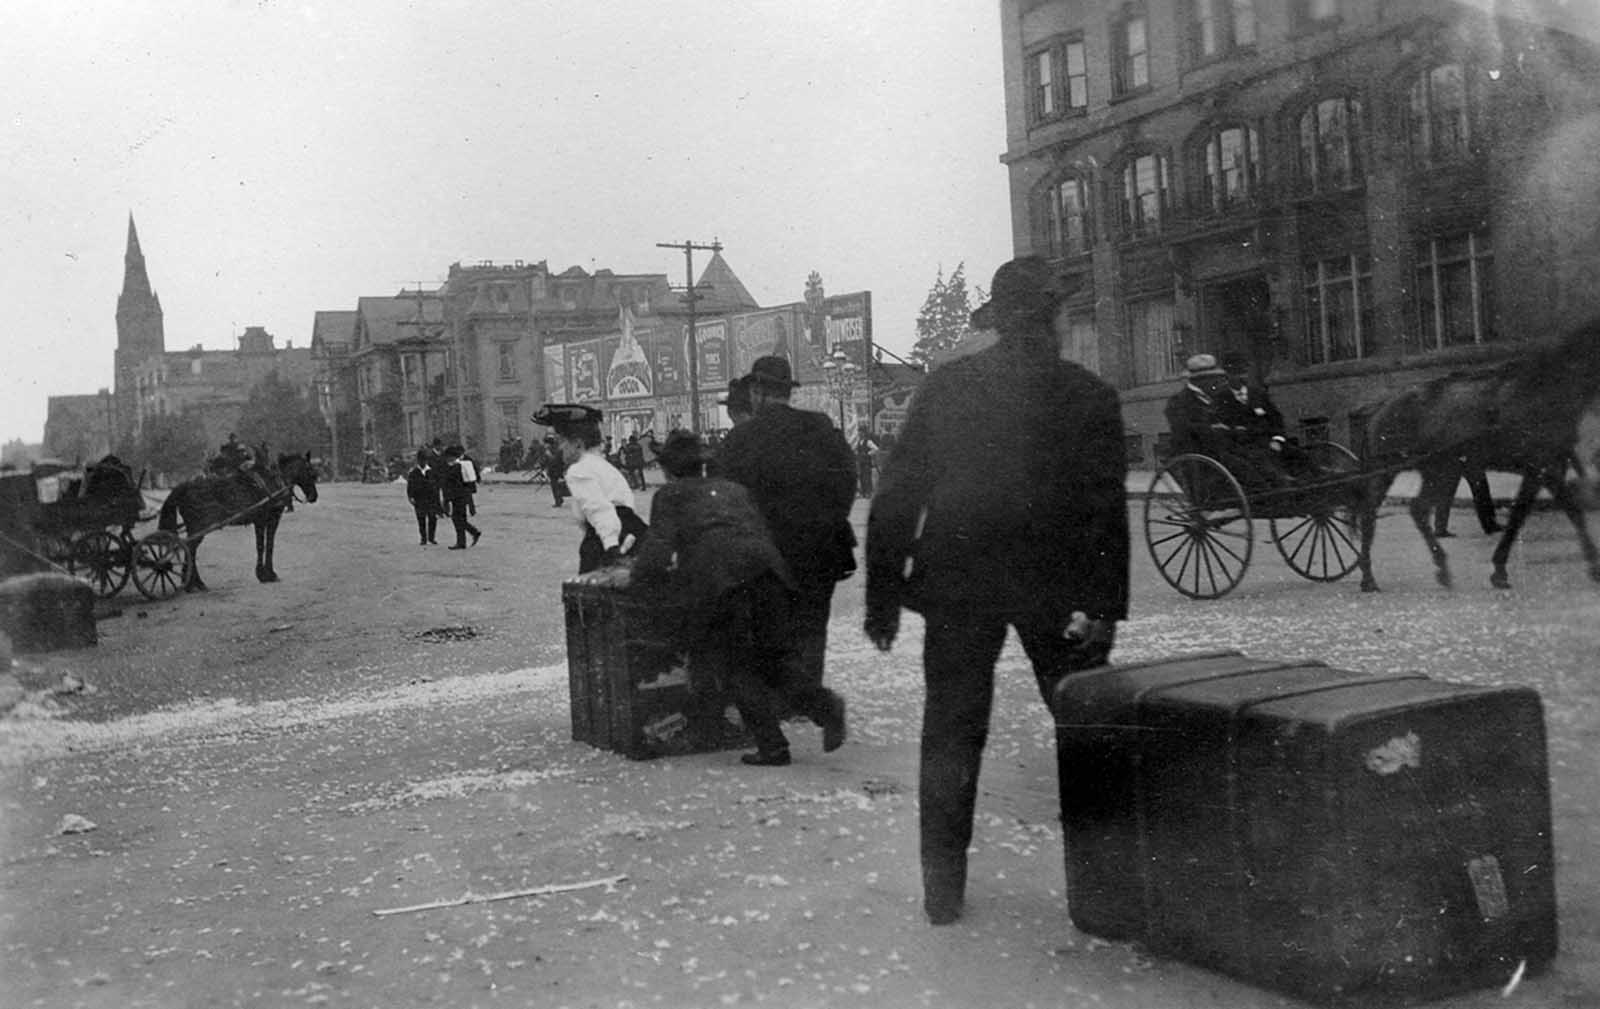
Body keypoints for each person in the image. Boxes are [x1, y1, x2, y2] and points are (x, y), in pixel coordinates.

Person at [864, 255, 1130, 927]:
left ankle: (942, 890)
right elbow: (1106, 513)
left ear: (997, 321)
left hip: (959, 581)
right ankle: (1106, 889)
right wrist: (1103, 608)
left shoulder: (948, 387)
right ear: (1055, 319)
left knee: (951, 731)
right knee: (1087, 731)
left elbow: (898, 492)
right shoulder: (1089, 396)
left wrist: (883, 592)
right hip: (1058, 587)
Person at [631, 430, 845, 766]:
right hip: (770, 575)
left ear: (668, 469)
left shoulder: (670, 495)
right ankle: (825, 706)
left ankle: (772, 746)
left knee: (736, 666)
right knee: (774, 660)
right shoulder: (734, 490)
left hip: (722, 583)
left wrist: (640, 581)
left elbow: (656, 551)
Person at [717, 356, 857, 697]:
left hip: (766, 554)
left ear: (756, 391)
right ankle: (808, 694)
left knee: (768, 629)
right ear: (788, 391)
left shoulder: (739, 440)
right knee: (812, 625)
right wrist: (829, 519)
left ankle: (781, 698)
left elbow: (726, 499)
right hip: (822, 548)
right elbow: (847, 480)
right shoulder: (822, 426)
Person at [533, 403, 647, 573]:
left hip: (604, 540)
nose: (560, 448)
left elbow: (598, 508)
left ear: (578, 444)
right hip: (630, 532)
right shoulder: (604, 466)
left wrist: (611, 547)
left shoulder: (579, 470)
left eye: (562, 441)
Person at [1165, 353, 1285, 492]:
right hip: (1198, 450)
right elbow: (1184, 428)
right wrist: (1215, 429)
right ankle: (1263, 495)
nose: (1216, 382)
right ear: (1199, 380)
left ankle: (1278, 488)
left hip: (1225, 445)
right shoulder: (1179, 401)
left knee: (1257, 456)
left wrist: (1234, 430)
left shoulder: (1217, 396)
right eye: (1212, 378)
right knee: (1241, 465)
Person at [439, 444, 481, 550]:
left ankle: (467, 537)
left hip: (458, 496)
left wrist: (447, 499)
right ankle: (466, 538)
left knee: (457, 518)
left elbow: (451, 484)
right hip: (462, 495)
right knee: (460, 518)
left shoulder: (455, 467)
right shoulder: (460, 466)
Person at [405, 449, 442, 546]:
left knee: (432, 519)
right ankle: (423, 538)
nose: (423, 462)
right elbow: (410, 486)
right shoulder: (413, 473)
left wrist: (438, 499)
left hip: (431, 499)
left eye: (424, 460)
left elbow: (437, 486)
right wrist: (410, 497)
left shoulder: (432, 471)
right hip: (419, 499)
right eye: (421, 460)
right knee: (421, 520)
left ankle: (431, 537)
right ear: (418, 461)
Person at [853, 424, 879, 498]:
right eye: (859, 432)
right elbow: (857, 450)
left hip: (867, 462)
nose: (859, 433)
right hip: (860, 462)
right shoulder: (859, 442)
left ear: (864, 433)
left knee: (867, 477)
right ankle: (863, 492)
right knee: (861, 477)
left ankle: (868, 492)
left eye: (860, 432)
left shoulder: (868, 441)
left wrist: (868, 453)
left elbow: (876, 449)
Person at [543, 435, 569, 507]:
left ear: (549, 443)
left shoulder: (555, 450)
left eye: (546, 443)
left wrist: (548, 455)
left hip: (555, 471)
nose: (545, 445)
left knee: (555, 487)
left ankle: (558, 501)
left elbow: (555, 461)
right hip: (554, 471)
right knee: (555, 486)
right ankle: (559, 499)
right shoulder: (554, 449)